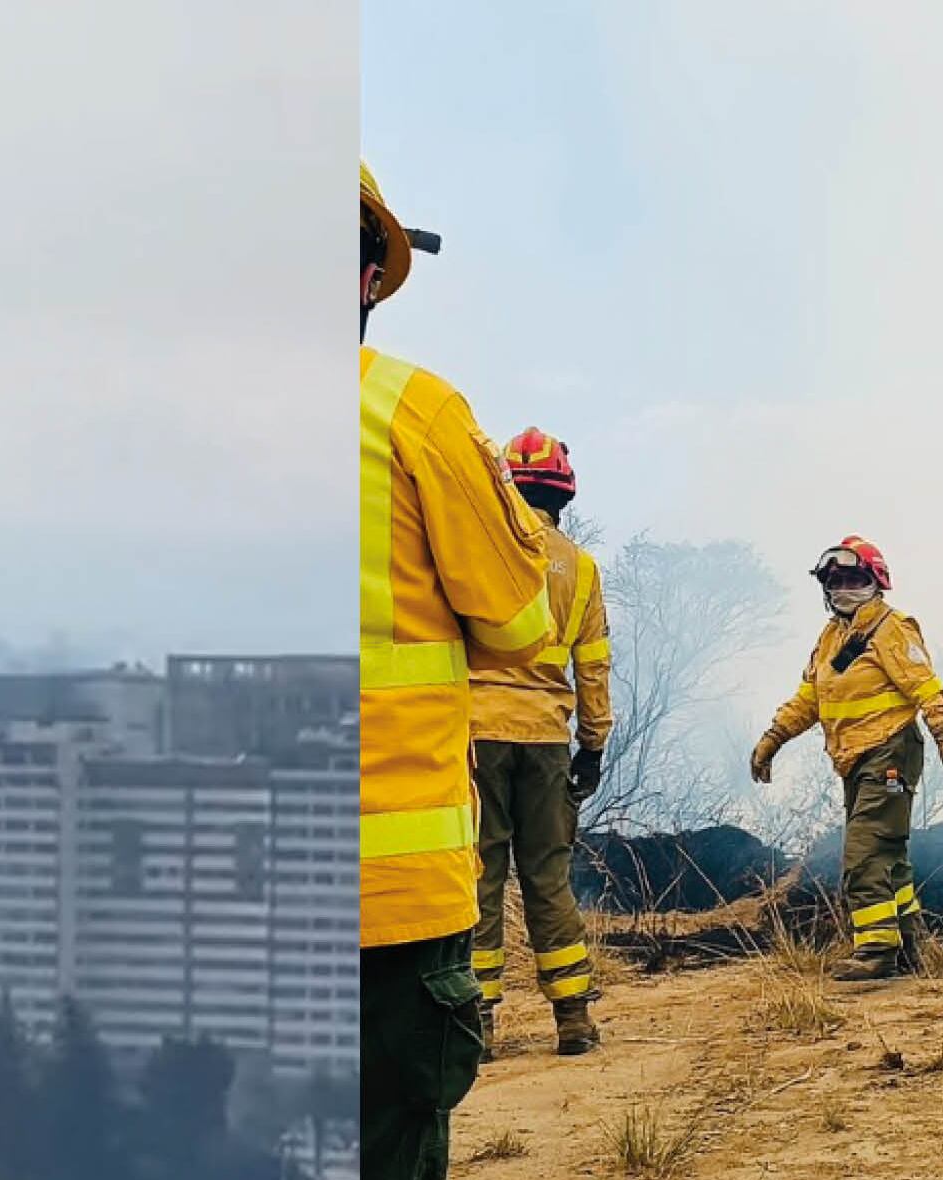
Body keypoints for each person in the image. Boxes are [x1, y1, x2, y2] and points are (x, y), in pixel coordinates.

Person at [359, 159, 555, 1180]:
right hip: (383, 895)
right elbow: (523, 622)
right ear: (368, 272)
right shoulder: (412, 413)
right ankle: (573, 1013)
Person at [749, 535, 943, 982]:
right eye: (834, 581)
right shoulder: (832, 638)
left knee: (864, 850)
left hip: (890, 751)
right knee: (889, 854)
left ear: (875, 581)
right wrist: (773, 737)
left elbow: (925, 686)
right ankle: (908, 945)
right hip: (855, 759)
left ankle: (875, 949)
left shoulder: (891, 628)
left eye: (853, 578)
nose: (842, 588)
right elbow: (809, 697)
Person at [467, 427, 612, 1059]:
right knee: (549, 877)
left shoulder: (475, 549)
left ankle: (478, 1021)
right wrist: (594, 744)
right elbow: (595, 665)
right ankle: (573, 1017)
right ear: (564, 495)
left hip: (476, 738)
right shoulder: (580, 568)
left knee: (480, 875)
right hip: (548, 739)